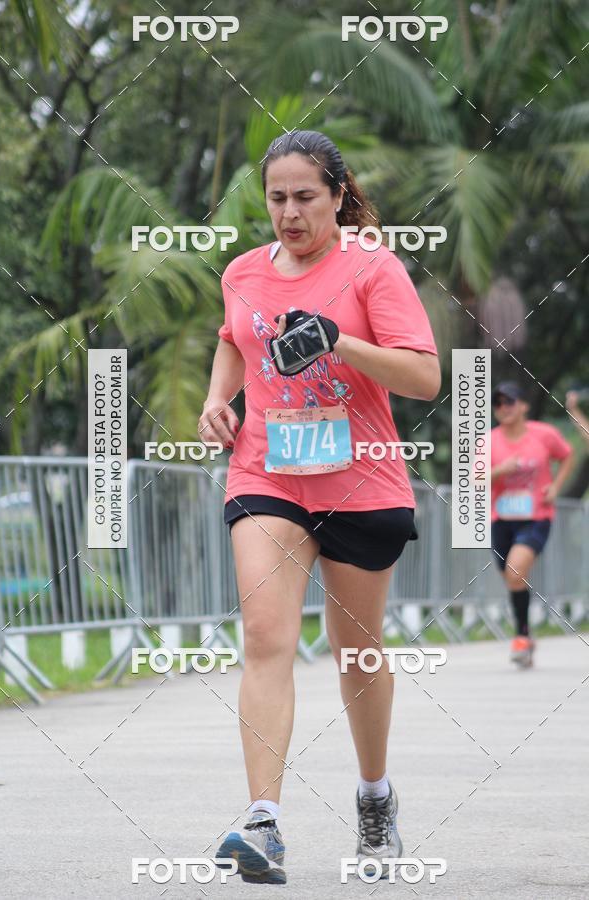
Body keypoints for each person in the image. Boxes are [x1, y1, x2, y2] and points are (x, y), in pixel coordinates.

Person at [199, 130, 440, 884]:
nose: (291, 213)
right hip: (268, 475)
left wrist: (338, 340)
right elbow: (235, 341)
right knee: (266, 635)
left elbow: (425, 378)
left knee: (356, 654)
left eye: (306, 197)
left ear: (338, 195)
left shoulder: (373, 267)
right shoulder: (243, 271)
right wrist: (216, 400)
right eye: (277, 198)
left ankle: (374, 796)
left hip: (361, 479)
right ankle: (262, 823)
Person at [490, 382, 574, 667]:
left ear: (524, 405)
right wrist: (499, 471)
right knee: (513, 578)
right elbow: (473, 479)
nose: (503, 408)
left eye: (510, 401)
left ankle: (521, 637)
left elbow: (567, 456)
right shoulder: (488, 441)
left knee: (515, 572)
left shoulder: (544, 435)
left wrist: (556, 487)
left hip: (536, 515)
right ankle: (525, 636)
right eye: (498, 403)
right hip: (500, 519)